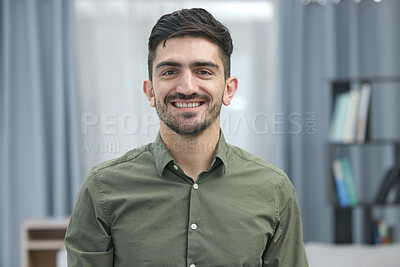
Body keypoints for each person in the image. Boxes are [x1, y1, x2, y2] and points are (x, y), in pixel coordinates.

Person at [65, 8, 309, 267]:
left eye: (203, 71)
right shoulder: (102, 189)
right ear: (150, 91)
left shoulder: (274, 190)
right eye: (170, 72)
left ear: (229, 89)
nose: (187, 87)